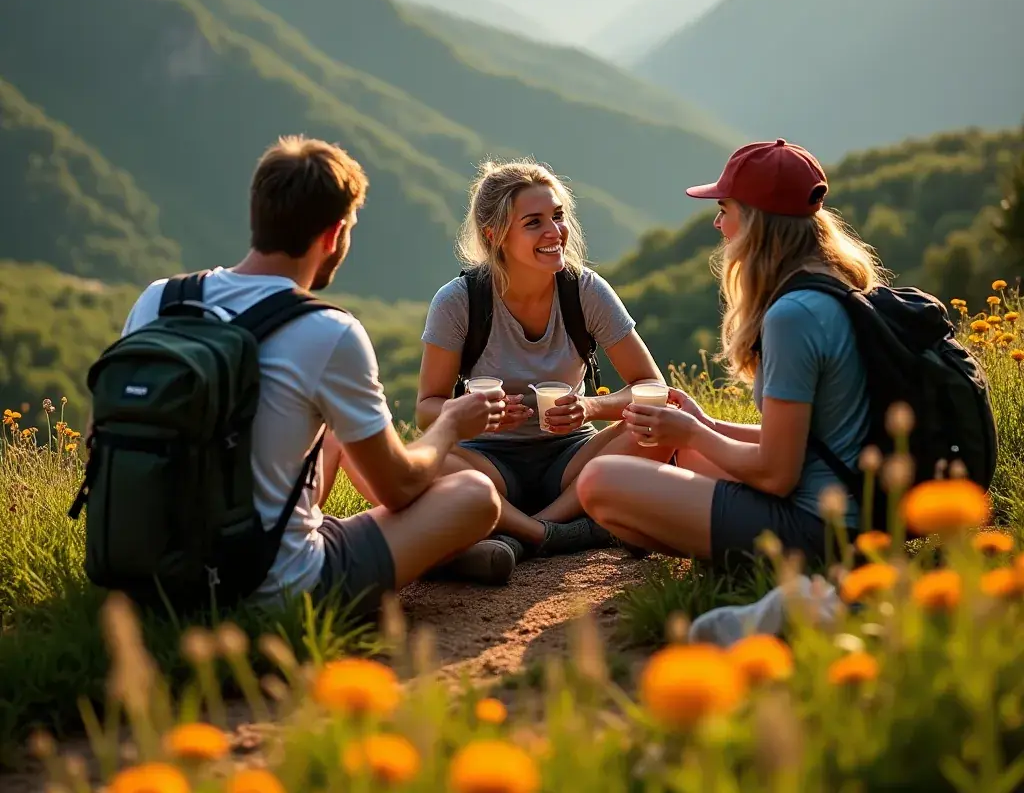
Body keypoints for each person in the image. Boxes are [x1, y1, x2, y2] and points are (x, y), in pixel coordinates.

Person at [106, 135, 508, 616]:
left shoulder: (160, 300)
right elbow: (398, 488)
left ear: (258, 214)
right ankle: (426, 551)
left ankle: (394, 544)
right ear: (333, 235)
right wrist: (450, 426)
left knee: (333, 434)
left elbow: (104, 433)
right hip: (273, 590)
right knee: (475, 496)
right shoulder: (326, 331)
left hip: (144, 578)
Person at [576, 138, 883, 571]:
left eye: (725, 210)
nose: (718, 224)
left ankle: (735, 557)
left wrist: (692, 434)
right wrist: (706, 425)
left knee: (599, 480)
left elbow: (777, 474)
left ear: (755, 222)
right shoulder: (834, 286)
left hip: (818, 526)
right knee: (687, 455)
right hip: (847, 504)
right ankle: (705, 538)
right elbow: (809, 443)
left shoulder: (792, 316)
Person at [409, 159, 667, 584]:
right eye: (534, 222)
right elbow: (425, 410)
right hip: (487, 460)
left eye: (558, 216)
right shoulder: (459, 301)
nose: (555, 232)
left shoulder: (585, 290)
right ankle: (561, 533)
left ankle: (517, 534)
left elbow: (652, 386)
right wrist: (476, 413)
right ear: (494, 235)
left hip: (570, 459)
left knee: (656, 425)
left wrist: (589, 406)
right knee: (422, 463)